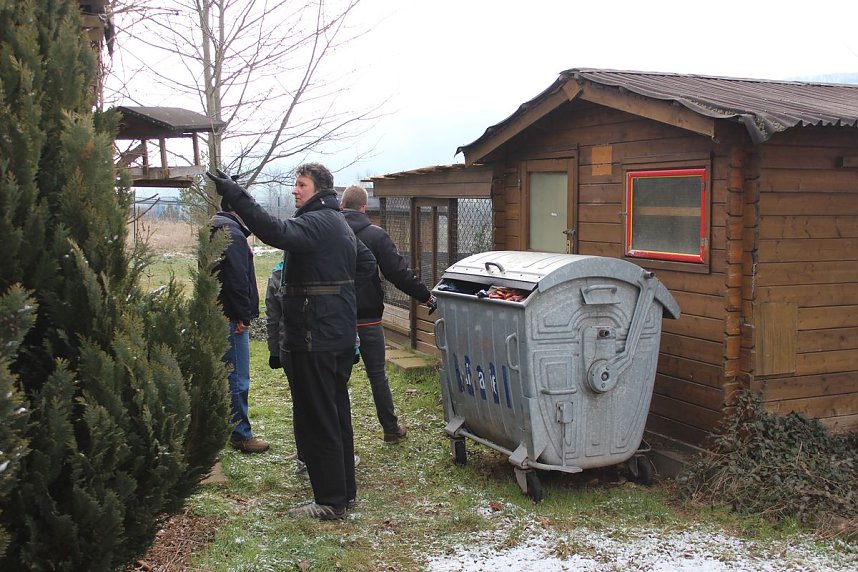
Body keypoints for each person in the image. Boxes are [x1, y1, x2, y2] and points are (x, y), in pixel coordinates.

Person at [208, 163, 376, 521]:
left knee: (319, 419)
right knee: (335, 415)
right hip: (335, 336)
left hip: (316, 338)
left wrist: (237, 195)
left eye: (301, 185)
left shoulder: (317, 222)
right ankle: (344, 494)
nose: (295, 190)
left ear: (319, 189)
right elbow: (366, 263)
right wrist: (336, 294)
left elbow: (274, 230)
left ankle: (329, 501)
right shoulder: (337, 223)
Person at [340, 185, 437, 443]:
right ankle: (391, 429)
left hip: (337, 317)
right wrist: (425, 296)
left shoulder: (330, 232)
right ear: (364, 208)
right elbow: (398, 273)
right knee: (377, 375)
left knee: (337, 379)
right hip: (368, 316)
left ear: (341, 205)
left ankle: (339, 437)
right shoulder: (375, 235)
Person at [265, 258, 361, 476]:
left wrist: (274, 351)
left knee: (302, 404)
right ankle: (335, 458)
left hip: (292, 348)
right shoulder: (329, 268)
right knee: (331, 402)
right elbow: (347, 309)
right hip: (324, 346)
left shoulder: (278, 273)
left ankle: (306, 458)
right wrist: (354, 344)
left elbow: (273, 317)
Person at [210, 196, 269, 454]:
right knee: (237, 377)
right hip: (231, 317)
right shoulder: (231, 234)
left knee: (225, 373)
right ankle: (241, 435)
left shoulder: (215, 227)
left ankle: (224, 427)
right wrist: (243, 317)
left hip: (218, 313)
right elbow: (236, 279)